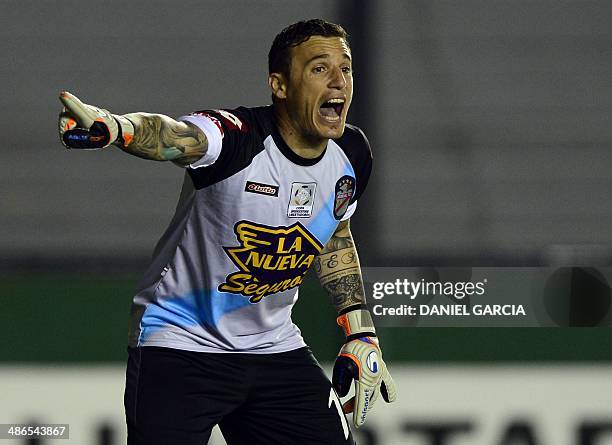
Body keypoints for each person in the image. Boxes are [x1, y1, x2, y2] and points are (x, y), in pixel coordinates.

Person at [58, 18, 396, 445]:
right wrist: (117, 128)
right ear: (280, 85)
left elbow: (334, 233)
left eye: (345, 69)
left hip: (273, 346)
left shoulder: (352, 154)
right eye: (318, 68)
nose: (338, 82)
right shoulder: (236, 139)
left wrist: (359, 329)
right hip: (179, 344)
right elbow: (174, 136)